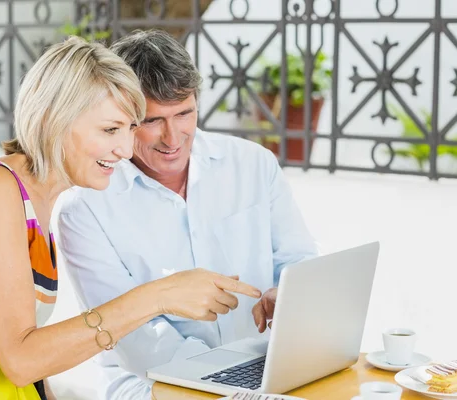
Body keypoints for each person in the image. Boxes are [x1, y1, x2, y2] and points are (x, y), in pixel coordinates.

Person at [0, 36, 261, 400]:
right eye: (110, 129)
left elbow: (33, 358)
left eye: (129, 128)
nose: (126, 150)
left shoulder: (36, 203)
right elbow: (22, 360)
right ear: (50, 121)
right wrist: (160, 296)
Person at [57, 30, 319, 399]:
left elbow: (300, 261)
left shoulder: (252, 163)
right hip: (149, 381)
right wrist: (231, 383)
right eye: (152, 121)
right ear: (122, 116)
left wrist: (289, 295)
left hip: (263, 368)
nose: (173, 137)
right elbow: (135, 342)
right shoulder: (84, 208)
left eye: (184, 114)